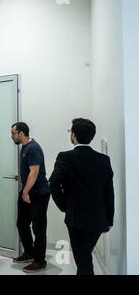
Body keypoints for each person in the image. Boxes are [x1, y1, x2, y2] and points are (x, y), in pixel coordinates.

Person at [49, 118, 114, 275]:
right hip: (98, 219)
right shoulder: (103, 160)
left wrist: (65, 205)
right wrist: (109, 219)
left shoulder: (65, 157)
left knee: (84, 262)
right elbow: (109, 191)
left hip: (76, 219)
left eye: (70, 131)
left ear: (74, 135)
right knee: (84, 258)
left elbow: (53, 184)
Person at [10, 122, 50, 273]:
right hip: (28, 192)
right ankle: (29, 252)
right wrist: (25, 192)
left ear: (21, 133)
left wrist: (25, 192)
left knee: (39, 229)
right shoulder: (24, 147)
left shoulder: (33, 149)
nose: (11, 136)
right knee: (22, 223)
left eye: (13, 133)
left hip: (38, 193)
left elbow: (34, 172)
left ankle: (40, 261)